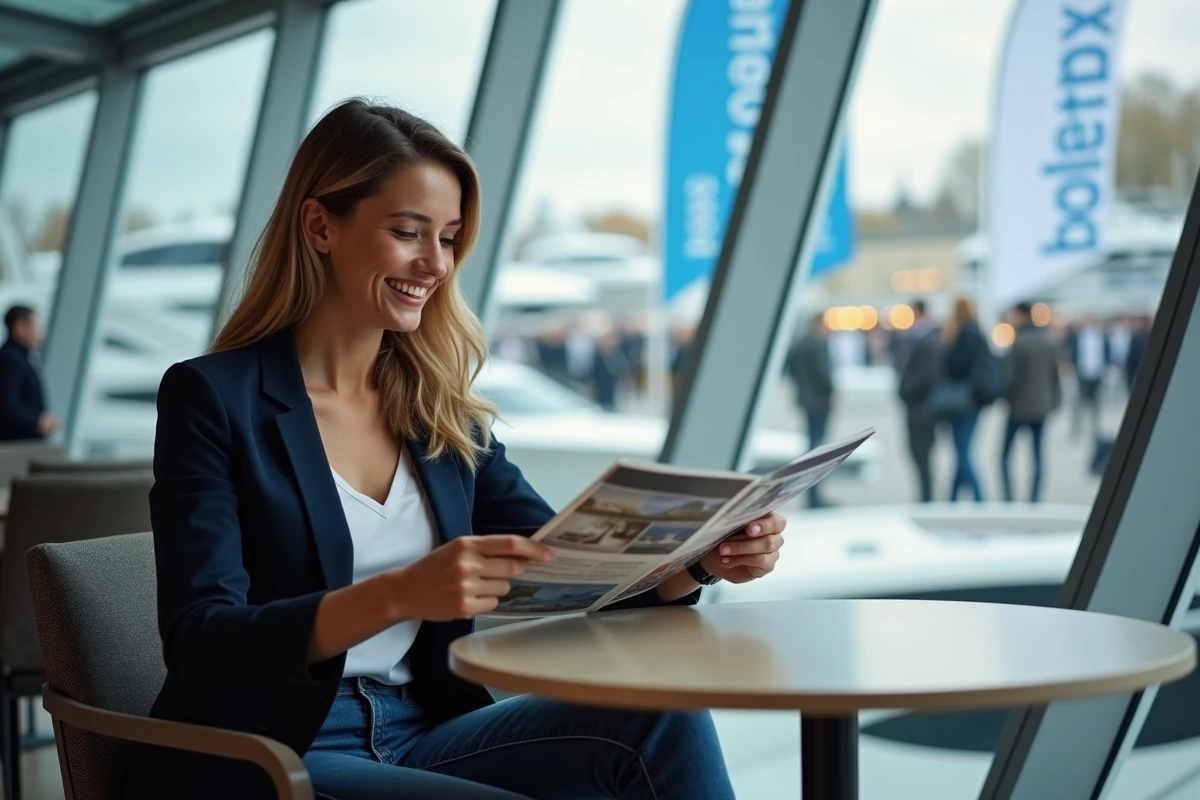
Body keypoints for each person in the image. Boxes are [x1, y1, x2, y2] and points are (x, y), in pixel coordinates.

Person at [121, 100, 788, 800]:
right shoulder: (214, 398)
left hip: (421, 728)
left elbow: (576, 571)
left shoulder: (439, 412)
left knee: (664, 721)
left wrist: (697, 563)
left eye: (448, 238)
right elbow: (202, 646)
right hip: (273, 750)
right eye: (408, 232)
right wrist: (399, 594)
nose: (433, 263)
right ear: (320, 225)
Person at [1000, 302, 1062, 503]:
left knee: (1004, 455)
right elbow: (1055, 375)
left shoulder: (1019, 342)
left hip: (1018, 408)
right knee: (1037, 456)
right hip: (1041, 407)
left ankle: (1009, 497)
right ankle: (1034, 499)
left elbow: (1010, 378)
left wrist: (1006, 399)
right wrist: (1054, 402)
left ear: (1021, 315)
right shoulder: (1048, 339)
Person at [784, 313, 834, 508]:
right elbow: (823, 373)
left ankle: (812, 495)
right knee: (818, 448)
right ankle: (815, 496)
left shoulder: (802, 343)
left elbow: (791, 368)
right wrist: (831, 392)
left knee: (812, 445)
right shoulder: (817, 343)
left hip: (806, 400)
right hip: (819, 401)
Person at [897, 300, 941, 503]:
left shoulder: (926, 341)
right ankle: (925, 497)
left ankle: (926, 499)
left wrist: (906, 391)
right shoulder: (924, 339)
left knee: (921, 455)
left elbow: (924, 377)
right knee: (919, 455)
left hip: (921, 409)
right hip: (921, 408)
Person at [942, 297, 985, 503]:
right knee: (961, 452)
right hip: (971, 402)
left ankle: (979, 499)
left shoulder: (965, 334)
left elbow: (956, 365)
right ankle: (952, 499)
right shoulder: (977, 332)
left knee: (962, 453)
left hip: (962, 402)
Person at [0, 305, 59, 441]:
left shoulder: (18, 358)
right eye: (36, 326)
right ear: (20, 327)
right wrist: (38, 421)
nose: (41, 333)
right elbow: (8, 405)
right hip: (15, 445)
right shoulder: (11, 360)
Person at [1066, 317, 1108, 440]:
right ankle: (1076, 429)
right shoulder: (1077, 338)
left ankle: (1096, 428)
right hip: (1081, 373)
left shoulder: (1102, 338)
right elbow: (1072, 353)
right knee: (1077, 403)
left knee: (1097, 403)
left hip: (1097, 373)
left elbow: (1106, 353)